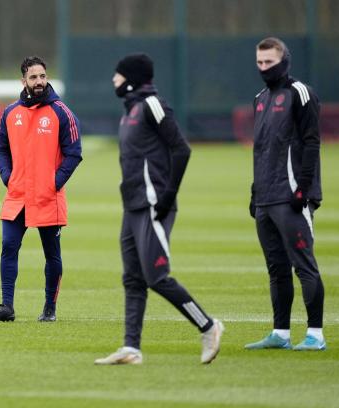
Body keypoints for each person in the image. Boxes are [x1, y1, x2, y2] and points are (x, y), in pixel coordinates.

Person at [95, 53, 224, 366]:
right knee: (133, 278)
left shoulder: (152, 104)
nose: (114, 79)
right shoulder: (130, 111)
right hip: (133, 205)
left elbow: (182, 148)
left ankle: (208, 326)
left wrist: (167, 195)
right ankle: (131, 348)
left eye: (118, 74)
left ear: (132, 78)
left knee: (156, 276)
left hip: (153, 203)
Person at [245, 37, 325, 351]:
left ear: (284, 61)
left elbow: (312, 142)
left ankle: (316, 335)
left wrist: (304, 187)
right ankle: (280, 333)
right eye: (260, 62)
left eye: (270, 62)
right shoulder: (260, 98)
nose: (264, 68)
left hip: (292, 195)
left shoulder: (300, 94)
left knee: (304, 265)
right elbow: (261, 148)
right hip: (265, 196)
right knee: (276, 269)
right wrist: (254, 192)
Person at [0, 56, 82, 322]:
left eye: (43, 76)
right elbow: (0, 148)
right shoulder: (10, 113)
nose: (39, 81)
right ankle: (7, 307)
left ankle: (49, 308)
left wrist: (54, 182)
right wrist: (8, 177)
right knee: (9, 247)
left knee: (52, 255)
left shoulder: (61, 112)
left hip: (47, 196)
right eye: (33, 77)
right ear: (24, 81)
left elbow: (74, 153)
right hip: (17, 195)